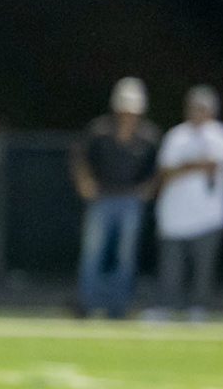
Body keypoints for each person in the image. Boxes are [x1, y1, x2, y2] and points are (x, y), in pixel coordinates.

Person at [69, 76, 161, 319]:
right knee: (93, 252)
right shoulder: (99, 130)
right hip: (102, 197)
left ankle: (117, 307)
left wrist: (149, 189)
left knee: (125, 256)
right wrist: (84, 182)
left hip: (130, 200)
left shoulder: (148, 136)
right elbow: (80, 157)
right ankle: (87, 303)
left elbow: (157, 169)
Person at [152, 85, 223, 321]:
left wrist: (184, 166)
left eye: (202, 108)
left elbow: (214, 163)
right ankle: (166, 306)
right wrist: (191, 165)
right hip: (175, 213)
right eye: (194, 108)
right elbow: (165, 170)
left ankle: (198, 308)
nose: (197, 112)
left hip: (207, 215)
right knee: (171, 266)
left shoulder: (220, 135)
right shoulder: (177, 135)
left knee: (202, 267)